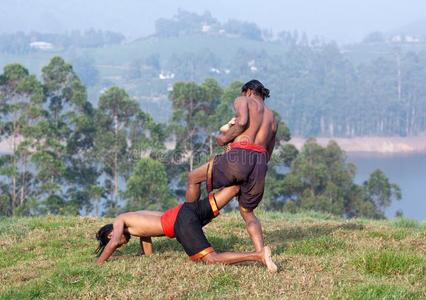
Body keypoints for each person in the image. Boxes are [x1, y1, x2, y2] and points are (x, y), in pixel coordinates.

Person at [185, 80, 278, 254]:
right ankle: (261, 253)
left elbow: (242, 122)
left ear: (248, 91)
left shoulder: (244, 100)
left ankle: (187, 221)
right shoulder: (272, 118)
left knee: (193, 177)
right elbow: (268, 152)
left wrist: (224, 139)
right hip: (259, 162)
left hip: (239, 155)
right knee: (247, 212)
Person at [95, 185, 277, 272]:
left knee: (211, 259)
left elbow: (111, 245)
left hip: (180, 222)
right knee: (228, 193)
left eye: (115, 241)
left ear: (111, 233)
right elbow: (146, 238)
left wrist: (99, 263)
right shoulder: (133, 219)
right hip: (184, 209)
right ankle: (241, 178)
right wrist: (145, 256)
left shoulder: (119, 220)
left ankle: (258, 255)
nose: (119, 245)